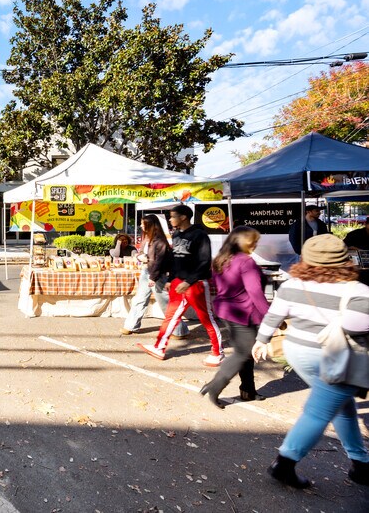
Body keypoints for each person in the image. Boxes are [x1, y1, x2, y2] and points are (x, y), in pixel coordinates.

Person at [252, 234, 369, 489]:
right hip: (338, 358)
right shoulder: (359, 291)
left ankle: (361, 462)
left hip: (298, 352)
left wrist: (261, 340)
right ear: (344, 258)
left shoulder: (292, 284)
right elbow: (358, 325)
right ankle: (284, 463)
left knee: (341, 404)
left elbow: (273, 315)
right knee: (318, 412)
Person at [137, 205, 224, 366]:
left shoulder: (200, 235)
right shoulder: (176, 234)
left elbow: (205, 263)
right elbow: (175, 261)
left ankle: (217, 352)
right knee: (171, 316)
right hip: (178, 283)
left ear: (183, 217)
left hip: (196, 283)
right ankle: (159, 347)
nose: (170, 219)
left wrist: (188, 281)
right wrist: (171, 279)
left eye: (172, 216)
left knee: (206, 318)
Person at [198, 227, 269, 409]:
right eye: (253, 241)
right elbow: (255, 292)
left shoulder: (221, 260)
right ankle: (215, 386)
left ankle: (248, 391)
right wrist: (270, 317)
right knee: (243, 353)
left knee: (246, 352)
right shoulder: (245, 262)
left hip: (227, 310)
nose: (255, 244)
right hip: (243, 312)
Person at [121, 215, 187, 337]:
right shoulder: (146, 238)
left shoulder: (160, 241)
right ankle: (131, 325)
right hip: (146, 272)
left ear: (150, 225)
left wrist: (153, 277)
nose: (140, 226)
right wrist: (139, 257)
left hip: (157, 275)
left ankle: (179, 330)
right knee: (139, 299)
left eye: (142, 223)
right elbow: (140, 253)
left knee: (166, 303)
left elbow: (158, 262)